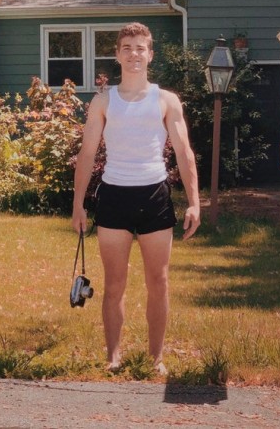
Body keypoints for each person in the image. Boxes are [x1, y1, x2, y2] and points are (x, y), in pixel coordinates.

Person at [71, 22, 200, 374]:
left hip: (155, 194)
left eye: (140, 47)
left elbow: (184, 152)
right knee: (114, 283)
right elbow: (86, 154)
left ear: (150, 54)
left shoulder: (165, 100)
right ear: (117, 55)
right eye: (127, 47)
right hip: (114, 196)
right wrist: (78, 204)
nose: (134, 54)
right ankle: (113, 356)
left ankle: (155, 358)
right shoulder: (102, 101)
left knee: (158, 281)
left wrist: (194, 201)